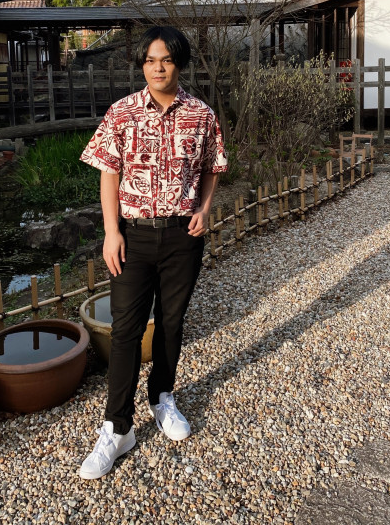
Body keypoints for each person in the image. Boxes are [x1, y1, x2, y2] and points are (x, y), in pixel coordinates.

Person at [78, 25, 228, 480]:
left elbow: (211, 167)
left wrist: (203, 209)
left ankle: (163, 398)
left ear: (179, 62)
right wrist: (110, 232)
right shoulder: (122, 113)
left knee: (171, 321)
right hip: (134, 235)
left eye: (164, 59)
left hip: (182, 235)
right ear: (142, 64)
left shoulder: (200, 114)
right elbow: (108, 172)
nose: (157, 67)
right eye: (149, 60)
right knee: (124, 329)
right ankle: (117, 426)